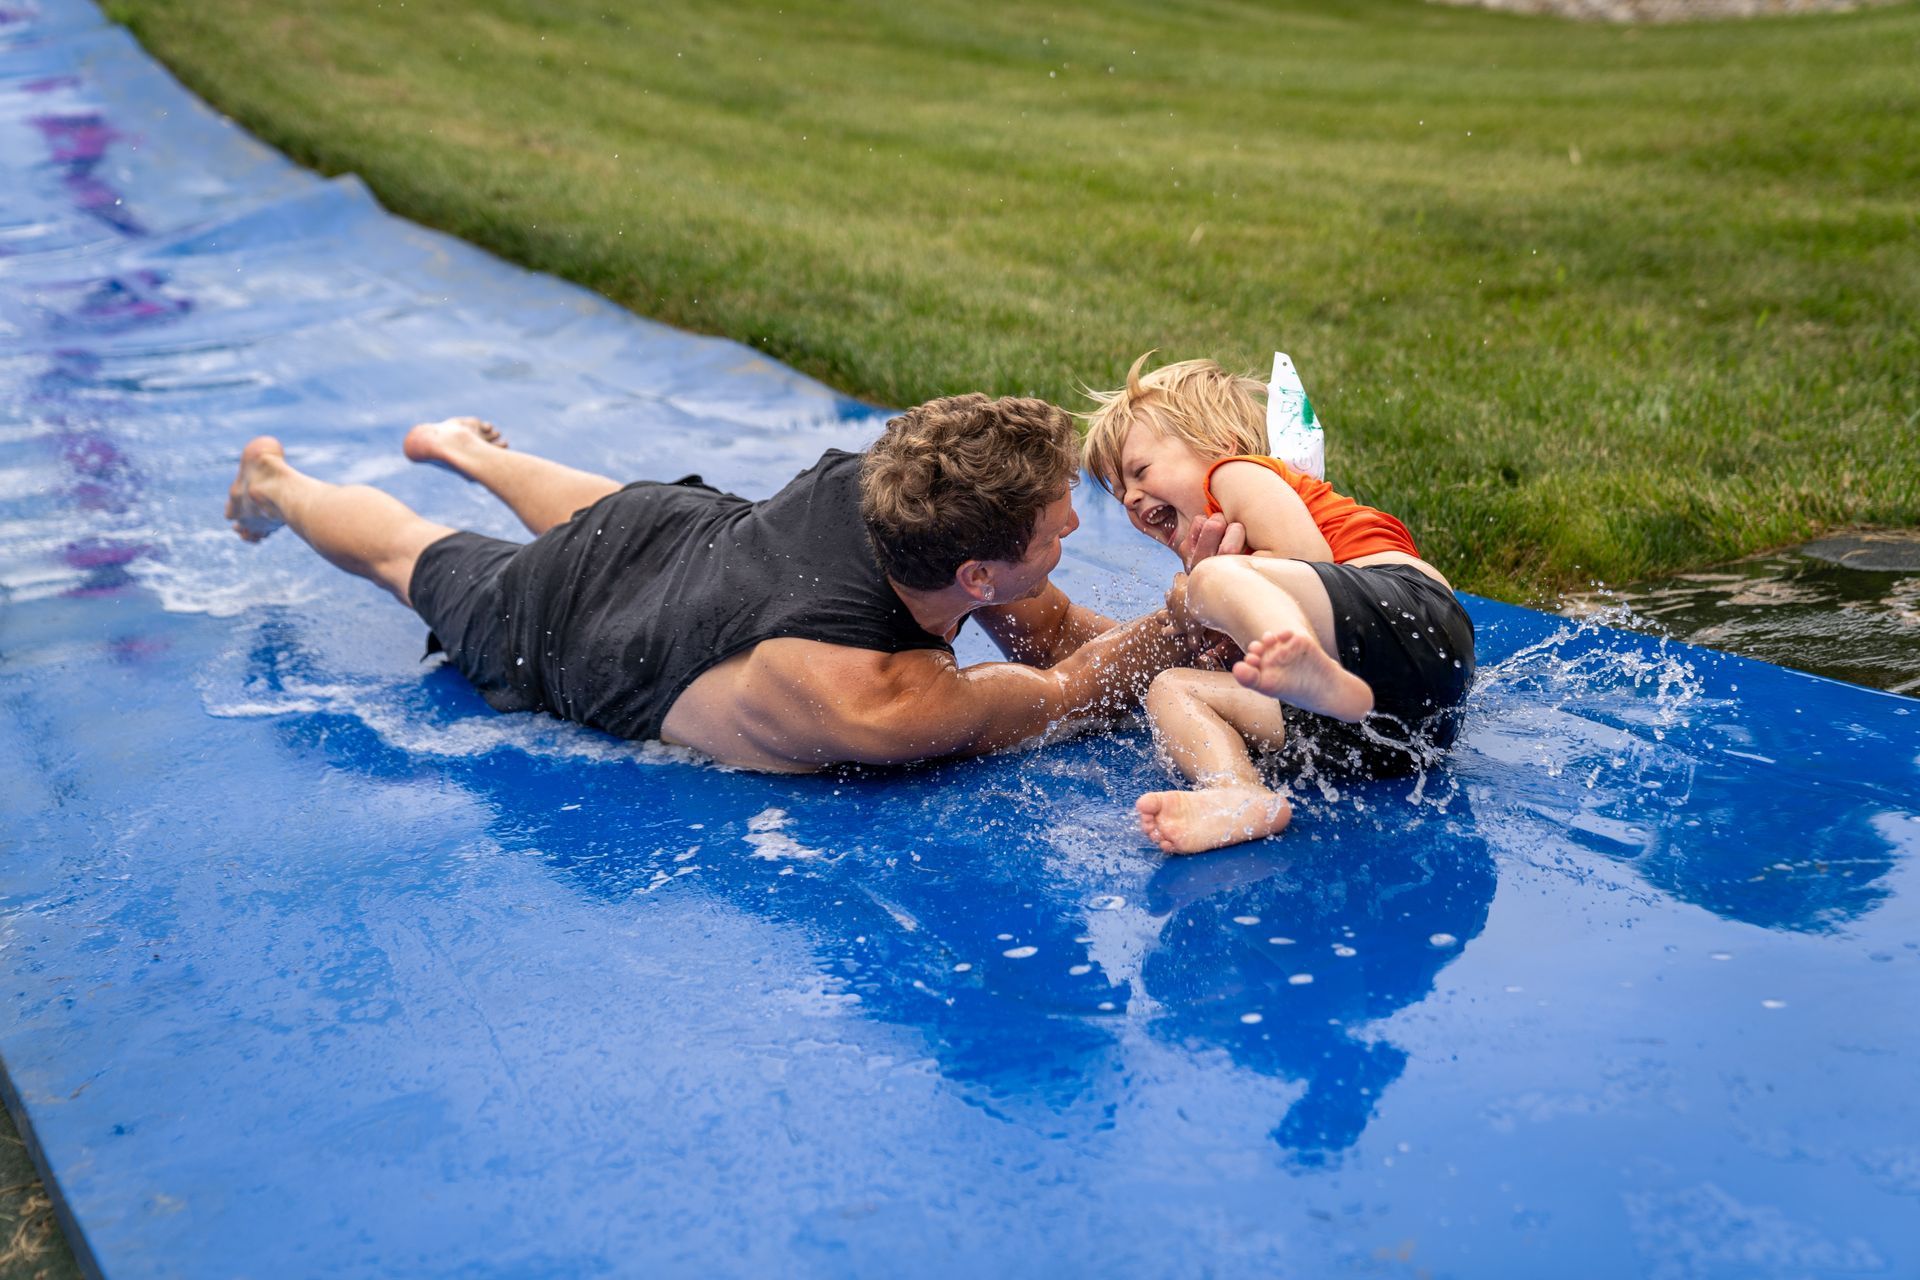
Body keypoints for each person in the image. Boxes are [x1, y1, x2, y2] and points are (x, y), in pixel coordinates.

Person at [224, 394, 1224, 772]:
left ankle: (464, 448)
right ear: (975, 571)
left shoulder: (909, 483)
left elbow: (1049, 628)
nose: (1071, 529)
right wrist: (1194, 609)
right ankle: (276, 484)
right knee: (408, 550)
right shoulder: (881, 699)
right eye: (1055, 527)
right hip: (570, 625)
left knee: (614, 514)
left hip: (660, 527)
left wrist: (1202, 639)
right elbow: (1064, 690)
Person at [1080, 355, 1476, 854]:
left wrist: (1199, 592)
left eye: (1140, 472)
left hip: (1412, 614)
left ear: (1219, 444)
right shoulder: (1228, 564)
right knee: (1172, 689)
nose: (1130, 499)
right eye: (1120, 492)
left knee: (1210, 581)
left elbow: (1309, 560)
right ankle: (1237, 793)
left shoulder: (1235, 474)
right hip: (1398, 726)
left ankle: (1300, 661)